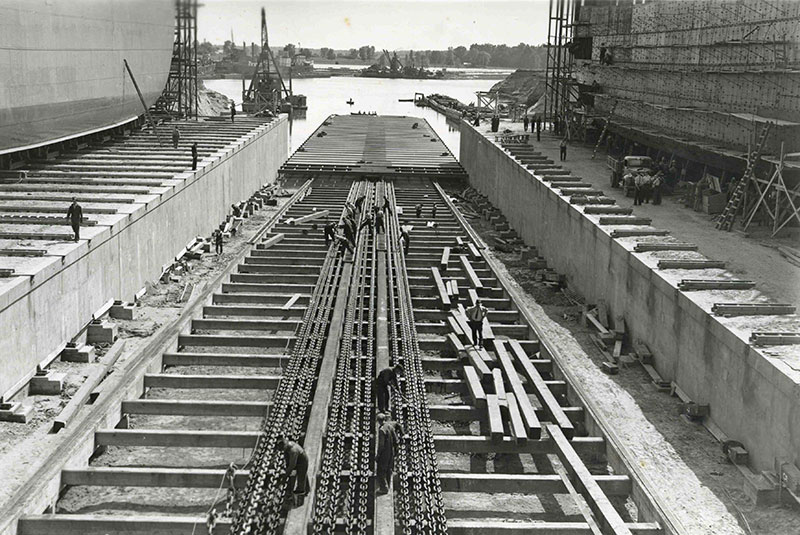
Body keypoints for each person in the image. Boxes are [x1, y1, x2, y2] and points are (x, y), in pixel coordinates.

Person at [276, 436, 310, 507]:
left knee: (301, 478)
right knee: (303, 476)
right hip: (298, 460)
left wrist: (286, 475)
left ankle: (300, 501)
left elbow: (292, 465)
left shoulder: (293, 450)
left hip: (302, 462)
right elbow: (288, 461)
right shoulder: (288, 446)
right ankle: (307, 489)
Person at [376, 412, 403, 494]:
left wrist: (378, 455)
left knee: (380, 471)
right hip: (391, 452)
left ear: (378, 421)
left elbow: (381, 445)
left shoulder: (381, 430)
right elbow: (396, 440)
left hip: (384, 454)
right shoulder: (390, 427)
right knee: (389, 470)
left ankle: (384, 488)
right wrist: (396, 450)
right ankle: (388, 484)